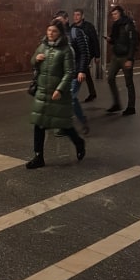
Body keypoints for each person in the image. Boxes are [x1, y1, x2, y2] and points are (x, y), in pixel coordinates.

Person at [25, 20, 86, 169]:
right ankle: (38, 156)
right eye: (49, 30)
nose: (50, 33)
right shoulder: (43, 46)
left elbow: (69, 72)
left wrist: (60, 89)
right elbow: (32, 61)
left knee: (63, 124)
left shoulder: (66, 50)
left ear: (60, 33)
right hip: (42, 92)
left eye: (54, 31)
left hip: (57, 94)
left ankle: (79, 142)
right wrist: (36, 59)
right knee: (39, 124)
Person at [52, 10, 90, 135]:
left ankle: (80, 121)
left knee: (71, 98)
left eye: (60, 19)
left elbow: (84, 52)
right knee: (63, 98)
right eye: (56, 20)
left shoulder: (75, 32)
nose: (57, 22)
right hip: (61, 74)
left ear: (66, 19)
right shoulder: (56, 35)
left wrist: (81, 70)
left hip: (74, 72)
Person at [105, 4, 137, 116]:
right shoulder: (115, 25)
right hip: (116, 55)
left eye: (115, 14)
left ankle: (131, 107)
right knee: (110, 78)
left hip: (125, 56)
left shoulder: (128, 25)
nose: (114, 16)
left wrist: (130, 59)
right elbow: (115, 39)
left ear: (121, 14)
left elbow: (133, 43)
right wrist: (110, 40)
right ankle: (116, 103)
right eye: (112, 14)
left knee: (129, 82)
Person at [72, 8, 100, 102]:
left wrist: (97, 55)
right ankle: (92, 93)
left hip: (87, 54)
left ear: (82, 16)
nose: (76, 17)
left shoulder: (89, 27)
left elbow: (95, 40)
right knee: (86, 72)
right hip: (77, 54)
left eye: (78, 15)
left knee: (80, 71)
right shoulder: (72, 27)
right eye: (74, 15)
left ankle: (73, 94)